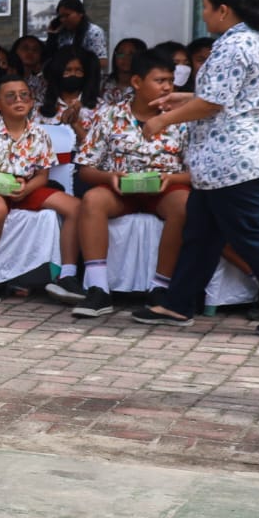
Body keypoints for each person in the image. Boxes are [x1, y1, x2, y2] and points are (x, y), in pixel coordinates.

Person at [132, 0, 259, 336]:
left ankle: (178, 302)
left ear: (223, 10)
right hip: (223, 162)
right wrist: (180, 98)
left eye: (206, 7)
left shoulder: (234, 46)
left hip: (232, 162)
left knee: (249, 237)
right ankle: (178, 304)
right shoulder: (251, 40)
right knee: (202, 234)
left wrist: (163, 122)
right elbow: (225, 96)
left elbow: (213, 103)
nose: (204, 14)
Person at [70, 49, 191, 318]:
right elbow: (85, 168)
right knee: (92, 200)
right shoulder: (109, 115)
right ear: (137, 82)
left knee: (184, 204)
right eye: (160, 80)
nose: (167, 87)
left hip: (165, 188)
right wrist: (109, 178)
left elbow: (196, 172)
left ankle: (160, 288)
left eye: (170, 80)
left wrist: (171, 178)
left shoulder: (183, 117)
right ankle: (99, 290)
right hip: (120, 190)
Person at [0, 74, 82, 303]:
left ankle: (67, 274)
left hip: (23, 186)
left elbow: (43, 176)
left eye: (24, 95)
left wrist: (27, 189)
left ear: (32, 100)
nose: (19, 100)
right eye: (10, 96)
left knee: (75, 207)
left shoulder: (39, 134)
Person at [38, 45, 101, 151]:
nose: (73, 75)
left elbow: (97, 151)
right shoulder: (38, 108)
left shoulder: (101, 109)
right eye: (67, 70)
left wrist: (76, 124)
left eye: (78, 71)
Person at [43, 0, 109, 70]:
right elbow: (49, 59)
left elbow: (102, 61)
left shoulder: (93, 32)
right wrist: (52, 36)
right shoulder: (61, 33)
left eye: (67, 15)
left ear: (80, 13)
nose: (63, 20)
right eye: (61, 16)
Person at [102, 36, 147, 106]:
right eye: (121, 53)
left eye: (131, 54)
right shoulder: (102, 82)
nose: (125, 58)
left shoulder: (146, 86)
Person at [12, 34, 47, 104]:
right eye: (25, 48)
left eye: (35, 50)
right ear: (15, 51)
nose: (30, 52)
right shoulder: (7, 77)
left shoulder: (43, 83)